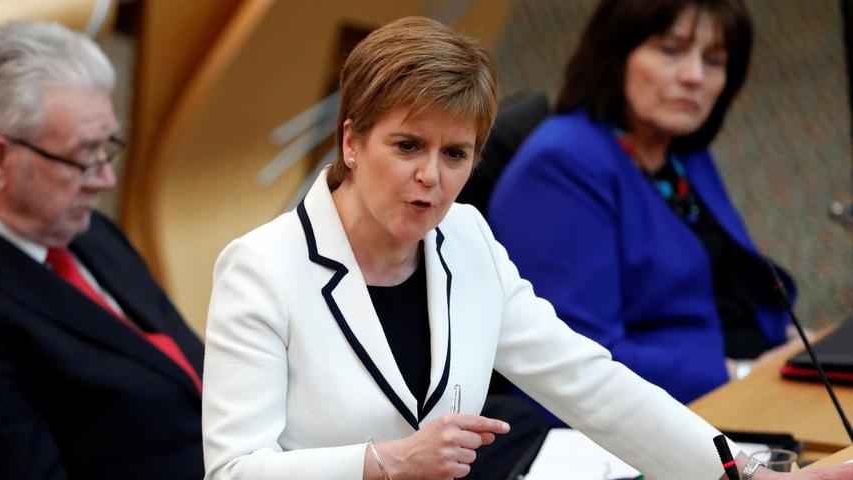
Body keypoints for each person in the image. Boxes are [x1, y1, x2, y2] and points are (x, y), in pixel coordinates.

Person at [202, 15, 853, 480]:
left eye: (455, 154)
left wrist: (741, 472)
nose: (431, 176)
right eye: (408, 146)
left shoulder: (466, 238)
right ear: (351, 142)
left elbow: (589, 382)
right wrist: (384, 463)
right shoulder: (261, 268)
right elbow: (232, 470)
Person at [488, 0, 801, 409]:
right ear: (616, 53)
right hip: (667, 412)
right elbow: (573, 363)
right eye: (670, 50)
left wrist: (799, 347)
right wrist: (742, 374)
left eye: (713, 61)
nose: (694, 76)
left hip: (751, 379)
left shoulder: (681, 150)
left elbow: (731, 285)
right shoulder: (560, 165)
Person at [0, 21, 204, 479]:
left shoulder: (86, 228)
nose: (106, 179)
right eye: (85, 156)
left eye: (108, 146)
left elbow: (187, 364)